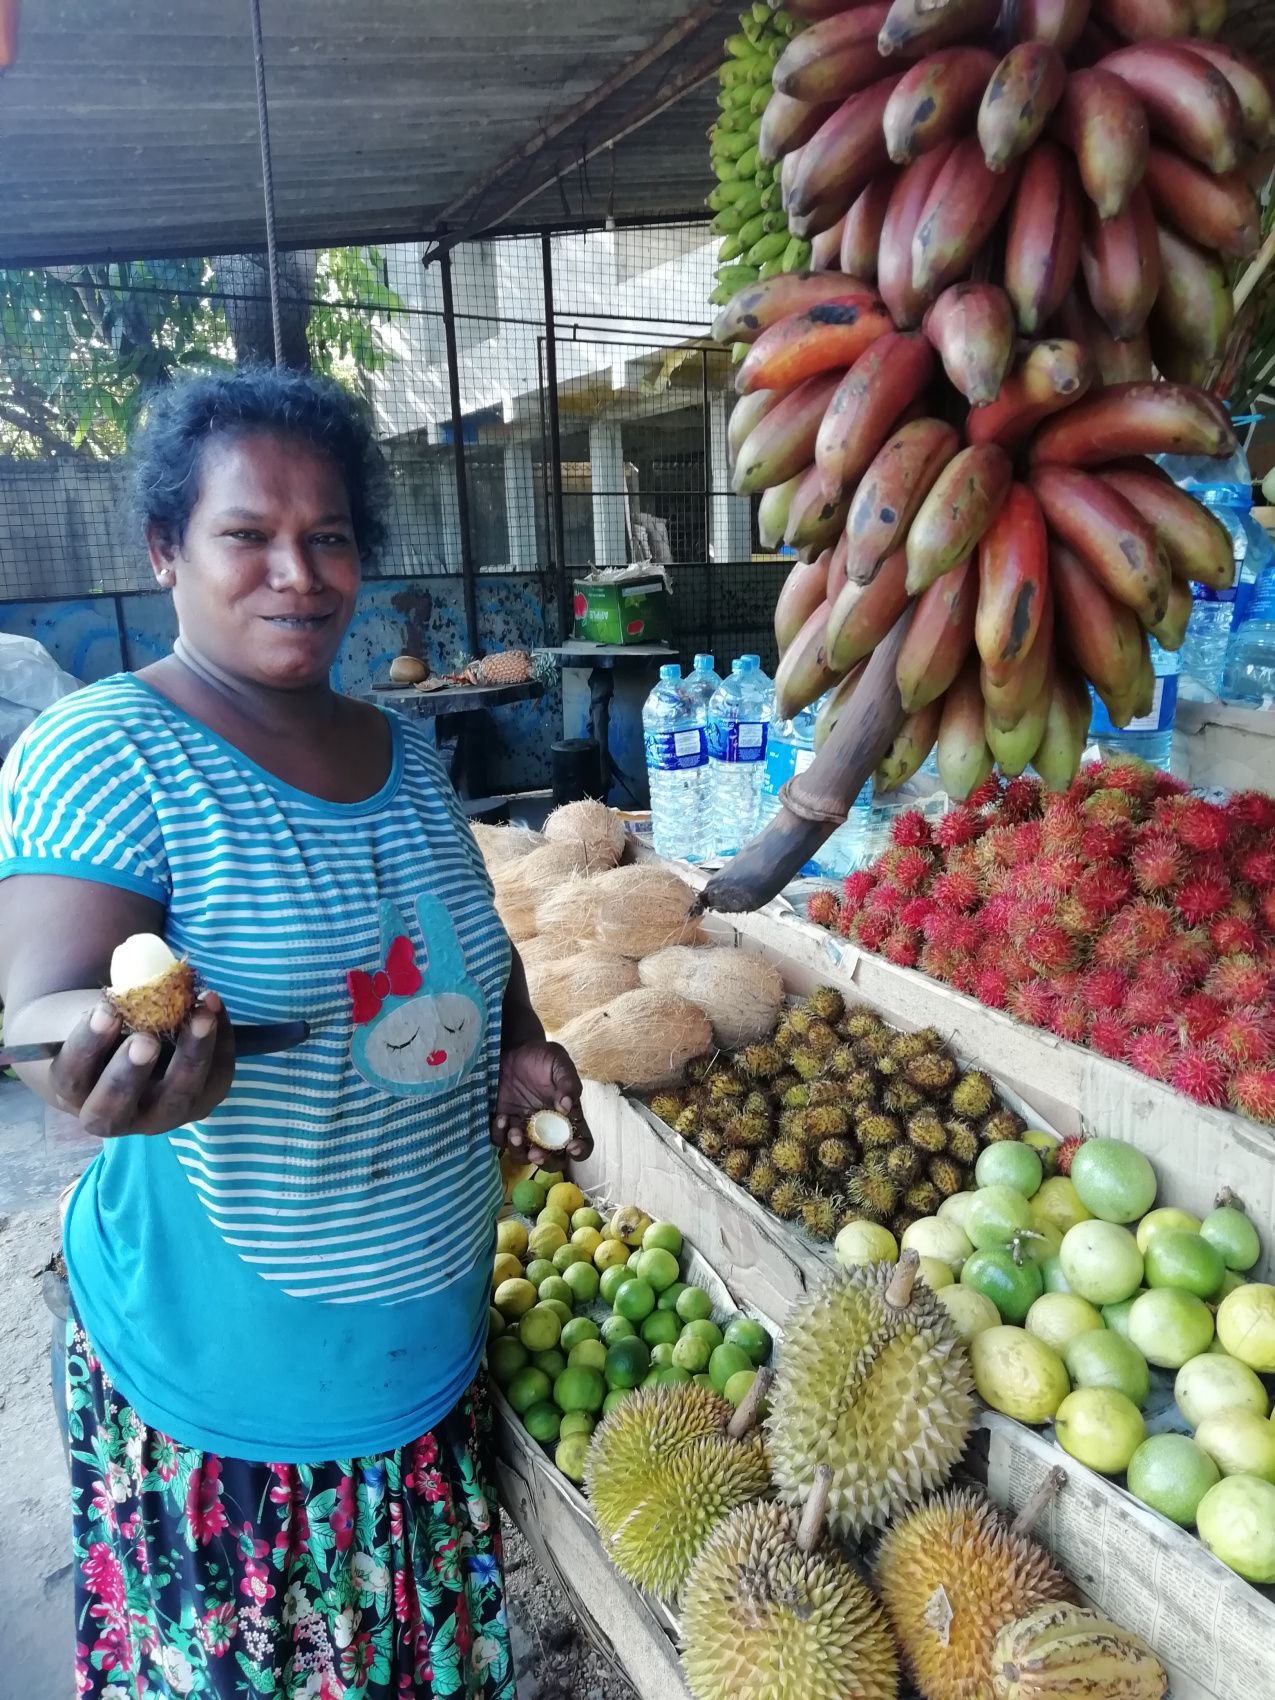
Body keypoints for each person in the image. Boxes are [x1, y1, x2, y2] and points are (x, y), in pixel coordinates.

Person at [0, 368, 591, 1700]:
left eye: (328, 536)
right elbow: (43, 1003)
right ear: (166, 549)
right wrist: (97, 1058)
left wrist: (515, 1044)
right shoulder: (109, 750)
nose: (299, 572)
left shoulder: (403, 755)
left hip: (420, 1364)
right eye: (247, 534)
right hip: (231, 1409)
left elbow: (471, 947)